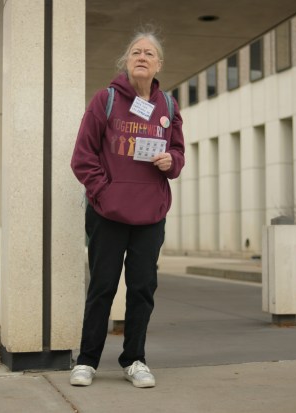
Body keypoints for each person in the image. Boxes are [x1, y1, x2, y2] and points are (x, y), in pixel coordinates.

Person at [69, 27, 185, 388]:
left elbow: (179, 153)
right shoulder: (105, 100)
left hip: (151, 214)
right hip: (107, 213)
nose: (142, 57)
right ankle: (87, 361)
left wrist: (171, 161)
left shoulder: (167, 106)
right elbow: (82, 157)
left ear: (158, 64)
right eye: (136, 51)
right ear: (126, 61)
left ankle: (135, 359)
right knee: (102, 287)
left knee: (141, 289)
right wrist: (104, 193)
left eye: (149, 53)